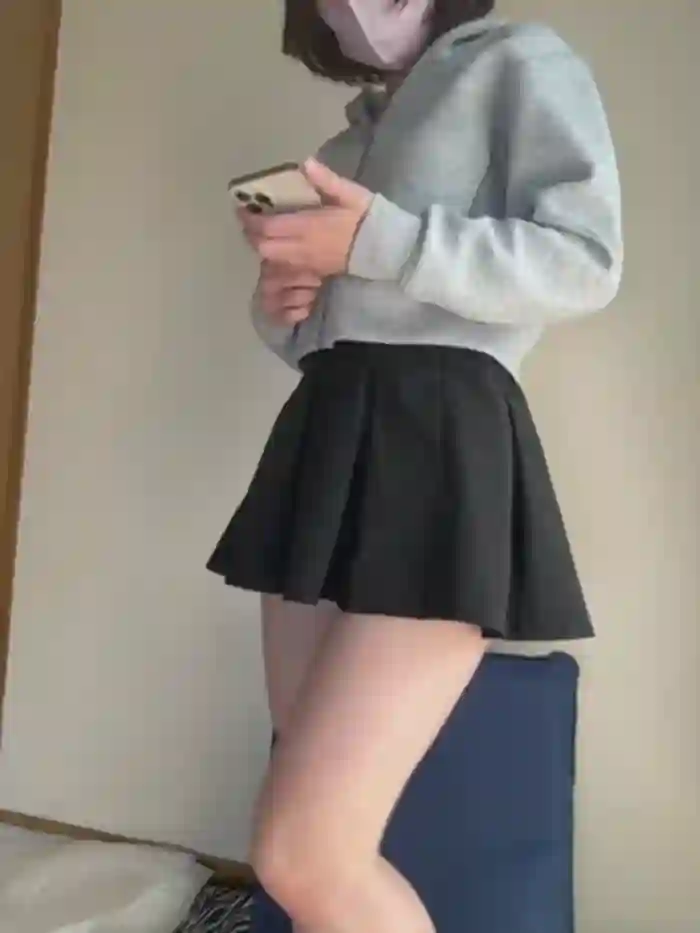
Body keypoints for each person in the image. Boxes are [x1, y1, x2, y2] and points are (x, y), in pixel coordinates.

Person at [208, 3, 623, 933]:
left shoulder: (518, 61)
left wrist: (375, 242)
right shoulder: (339, 148)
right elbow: (325, 338)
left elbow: (587, 261)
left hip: (441, 434)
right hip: (327, 435)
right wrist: (284, 302)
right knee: (312, 841)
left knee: (304, 852)